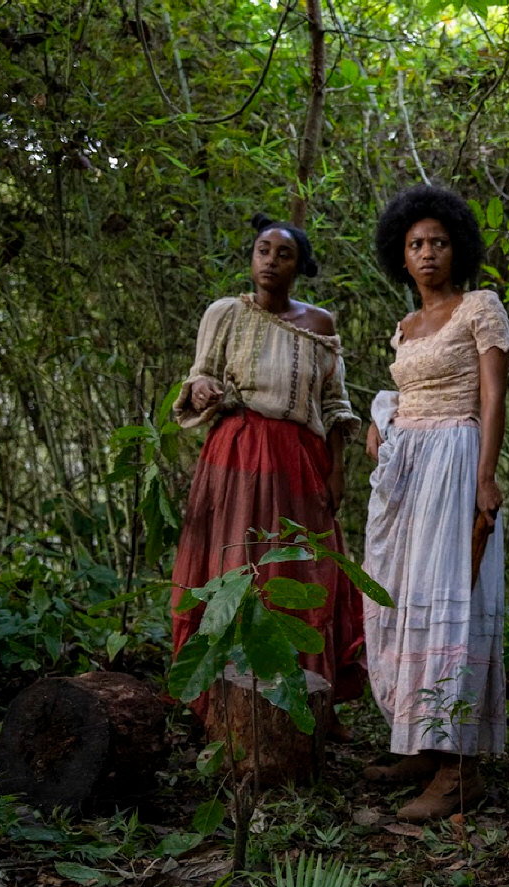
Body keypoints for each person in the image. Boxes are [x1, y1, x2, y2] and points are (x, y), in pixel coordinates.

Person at [170, 214, 365, 731]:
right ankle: (217, 708)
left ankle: (303, 706)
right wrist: (202, 390)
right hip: (234, 455)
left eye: (284, 254)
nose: (271, 262)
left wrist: (338, 470)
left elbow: (334, 403)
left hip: (299, 459)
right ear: (252, 257)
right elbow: (200, 375)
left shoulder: (320, 324)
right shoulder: (225, 313)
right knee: (231, 563)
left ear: (299, 266)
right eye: (263, 250)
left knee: (299, 568)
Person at [361, 184, 509, 822]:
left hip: (455, 460)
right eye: (416, 244)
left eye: (440, 243)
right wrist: (384, 417)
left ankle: (459, 770)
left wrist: (485, 478)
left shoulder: (479, 307)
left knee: (451, 603)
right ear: (401, 255)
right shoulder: (404, 328)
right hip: (407, 473)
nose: (428, 253)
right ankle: (423, 743)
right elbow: (409, 389)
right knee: (402, 600)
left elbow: (493, 397)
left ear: (458, 249)